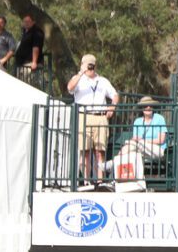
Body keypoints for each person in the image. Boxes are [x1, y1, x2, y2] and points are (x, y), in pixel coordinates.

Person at [67, 54, 119, 185]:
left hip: (100, 117)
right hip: (84, 116)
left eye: (91, 65)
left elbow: (115, 95)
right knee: (85, 151)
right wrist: (81, 72)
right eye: (87, 65)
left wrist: (112, 107)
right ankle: (86, 181)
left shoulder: (102, 81)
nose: (90, 68)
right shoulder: (78, 79)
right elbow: (70, 88)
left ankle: (100, 181)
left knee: (100, 151)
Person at [111, 97, 167, 170]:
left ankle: (112, 164)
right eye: (145, 106)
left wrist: (144, 141)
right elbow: (136, 139)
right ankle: (118, 174)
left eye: (150, 105)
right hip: (140, 149)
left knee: (133, 145)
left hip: (158, 149)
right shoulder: (138, 121)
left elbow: (161, 140)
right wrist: (135, 140)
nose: (148, 107)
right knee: (130, 151)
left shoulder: (159, 118)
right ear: (142, 108)